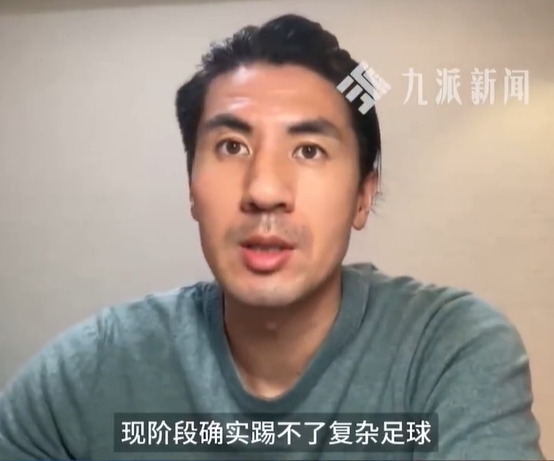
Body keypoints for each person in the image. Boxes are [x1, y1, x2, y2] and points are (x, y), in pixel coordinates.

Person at [0, 13, 544, 461]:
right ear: (192, 187)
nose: (264, 190)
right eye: (232, 147)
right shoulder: (93, 372)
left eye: (309, 150)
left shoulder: (448, 351)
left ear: (362, 195)